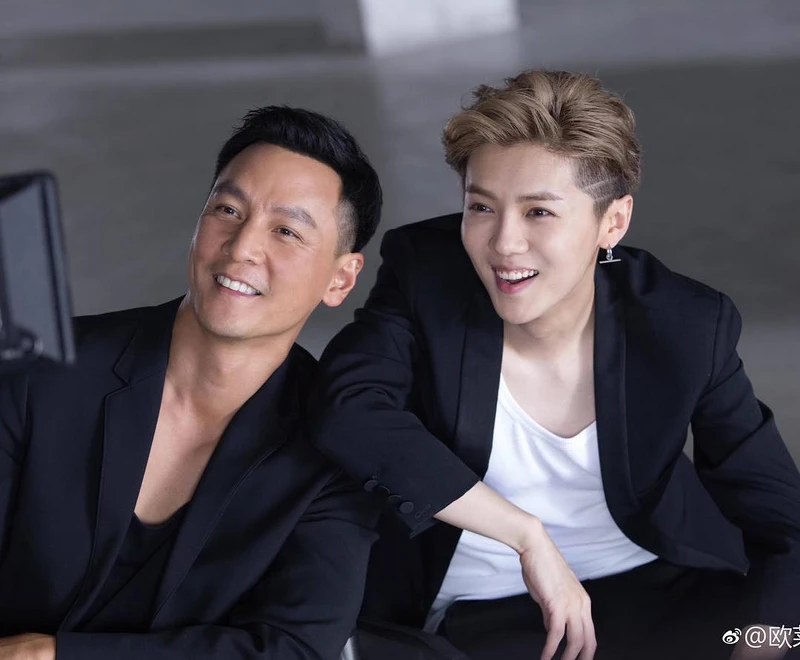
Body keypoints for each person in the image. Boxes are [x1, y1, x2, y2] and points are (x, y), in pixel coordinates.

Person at [310, 70, 800, 660]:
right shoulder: (428, 275)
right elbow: (348, 408)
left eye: (538, 212)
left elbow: (782, 518)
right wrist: (526, 535)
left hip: (662, 580)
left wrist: (762, 648)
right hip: (484, 607)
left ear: (612, 222)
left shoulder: (685, 323)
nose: (503, 243)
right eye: (481, 207)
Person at [0, 105, 383, 659]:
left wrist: (54, 655)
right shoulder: (46, 369)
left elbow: (292, 647)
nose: (242, 247)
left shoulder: (337, 443)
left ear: (340, 279)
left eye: (286, 231)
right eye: (228, 210)